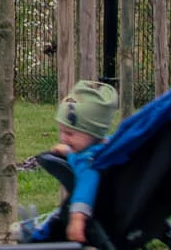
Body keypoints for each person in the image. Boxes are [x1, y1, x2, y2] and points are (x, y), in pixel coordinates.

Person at [42, 80, 121, 244]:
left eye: (70, 134)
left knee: (56, 220)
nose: (63, 138)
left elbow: (86, 188)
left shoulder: (90, 163)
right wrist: (68, 150)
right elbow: (83, 149)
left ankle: (39, 230)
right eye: (62, 131)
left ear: (93, 133)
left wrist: (77, 219)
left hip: (91, 214)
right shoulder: (100, 146)